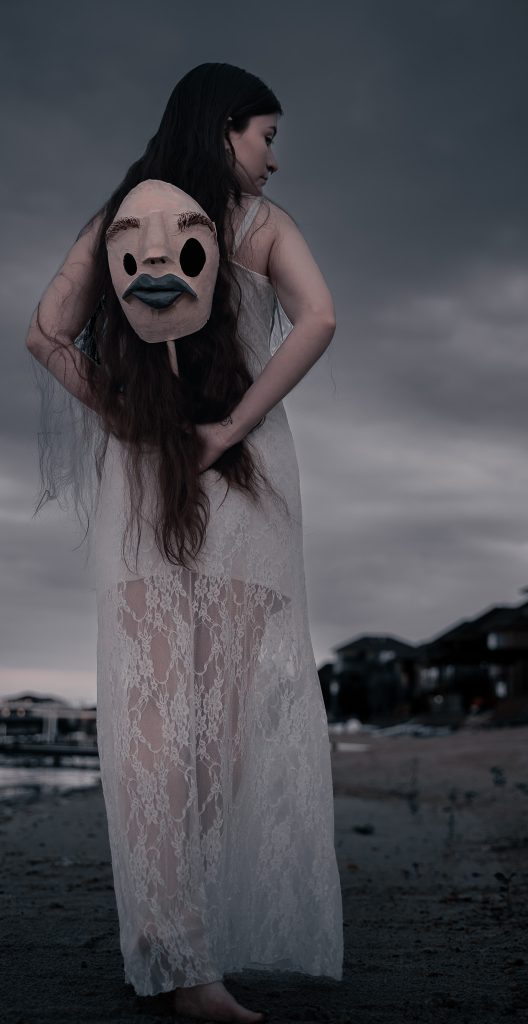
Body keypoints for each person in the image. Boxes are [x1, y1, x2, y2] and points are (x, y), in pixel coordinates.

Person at [25, 62, 343, 1023]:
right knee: (216, 726)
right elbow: (320, 318)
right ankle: (183, 956)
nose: (274, 160)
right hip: (240, 482)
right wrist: (231, 426)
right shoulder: (258, 229)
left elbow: (45, 334)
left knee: (159, 716)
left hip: (153, 477)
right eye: (266, 136)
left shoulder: (119, 219)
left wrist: (124, 414)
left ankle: (175, 945)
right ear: (223, 129)